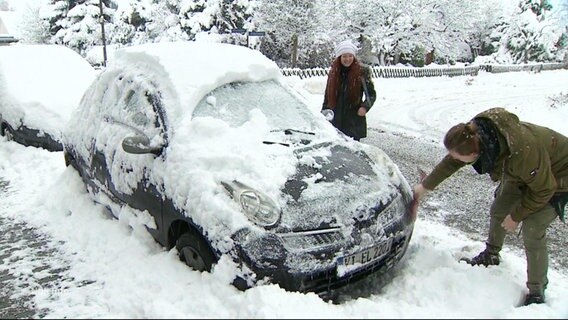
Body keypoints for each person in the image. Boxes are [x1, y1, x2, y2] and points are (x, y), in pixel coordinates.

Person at [411, 107, 568, 306]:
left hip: (558, 177)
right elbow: (453, 161)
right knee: (499, 209)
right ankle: (491, 254)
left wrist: (516, 216)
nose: (458, 161)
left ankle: (537, 291)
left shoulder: (520, 153)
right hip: (526, 172)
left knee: (533, 229)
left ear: (476, 153)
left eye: (462, 158)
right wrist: (424, 187)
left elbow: (545, 189)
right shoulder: (474, 135)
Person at [322, 39, 376, 141]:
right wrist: (324, 113)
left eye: (350, 56)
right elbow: (327, 95)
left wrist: (364, 107)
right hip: (335, 119)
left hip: (353, 120)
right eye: (344, 56)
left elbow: (371, 94)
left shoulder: (362, 72)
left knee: (352, 152)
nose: (347, 59)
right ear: (339, 57)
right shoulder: (334, 72)